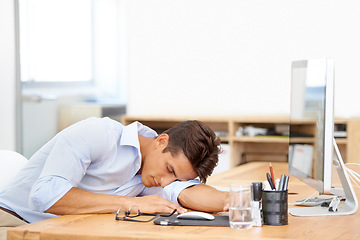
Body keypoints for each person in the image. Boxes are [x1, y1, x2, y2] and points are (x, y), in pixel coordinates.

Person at [0, 117, 228, 239]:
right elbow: (44, 196)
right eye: (170, 170)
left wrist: (235, 200)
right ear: (161, 141)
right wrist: (133, 203)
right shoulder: (98, 134)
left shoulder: (153, 175)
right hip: (13, 223)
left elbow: (187, 193)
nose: (166, 182)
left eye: (176, 178)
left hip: (62, 229)